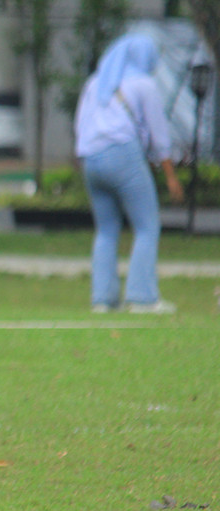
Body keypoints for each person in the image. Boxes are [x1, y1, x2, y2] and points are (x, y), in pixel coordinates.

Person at [74, 33, 184, 314]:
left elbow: (80, 126)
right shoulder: (143, 85)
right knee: (147, 226)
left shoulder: (95, 83)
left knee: (106, 230)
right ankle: (142, 297)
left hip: (91, 160)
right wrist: (171, 176)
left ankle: (102, 299)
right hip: (123, 153)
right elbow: (159, 137)